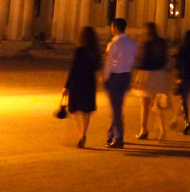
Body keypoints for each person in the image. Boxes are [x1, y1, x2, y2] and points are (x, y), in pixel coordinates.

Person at [62, 26, 101, 148]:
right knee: (86, 109)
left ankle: (80, 134)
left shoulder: (79, 50)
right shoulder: (96, 52)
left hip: (77, 81)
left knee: (74, 109)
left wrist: (66, 86)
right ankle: (84, 133)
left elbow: (73, 68)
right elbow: (97, 67)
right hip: (89, 81)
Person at [131, 22, 171, 140]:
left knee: (144, 104)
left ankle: (144, 129)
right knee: (157, 105)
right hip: (160, 74)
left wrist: (136, 77)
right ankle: (162, 131)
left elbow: (143, 61)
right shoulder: (162, 42)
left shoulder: (147, 43)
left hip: (148, 74)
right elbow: (165, 59)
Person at [103, 17, 137, 149]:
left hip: (115, 77)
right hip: (126, 76)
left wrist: (105, 78)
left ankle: (119, 138)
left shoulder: (113, 44)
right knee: (118, 107)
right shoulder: (132, 43)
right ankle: (111, 134)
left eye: (112, 27)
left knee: (116, 109)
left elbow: (108, 63)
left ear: (115, 28)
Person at [170, 29, 190, 135]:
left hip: (183, 77)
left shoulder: (183, 48)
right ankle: (176, 120)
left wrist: (176, 78)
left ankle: (186, 122)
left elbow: (178, 64)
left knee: (183, 99)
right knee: (184, 99)